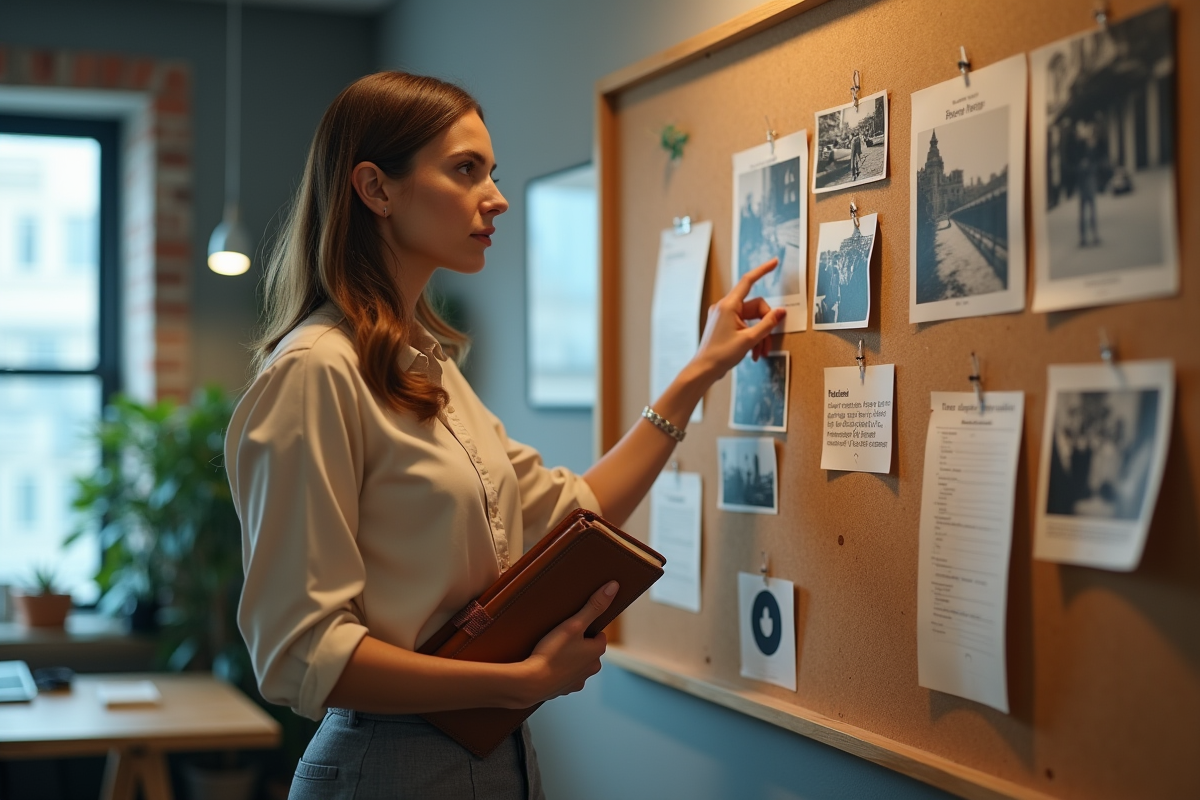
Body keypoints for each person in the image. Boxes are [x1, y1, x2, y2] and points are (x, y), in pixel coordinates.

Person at [224, 71, 786, 800]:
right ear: (376, 188)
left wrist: (698, 374)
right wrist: (515, 681)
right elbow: (302, 652)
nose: (497, 197)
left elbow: (572, 512)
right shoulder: (314, 373)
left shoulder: (427, 367)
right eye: (466, 170)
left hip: (493, 754)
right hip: (387, 766)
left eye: (492, 171)